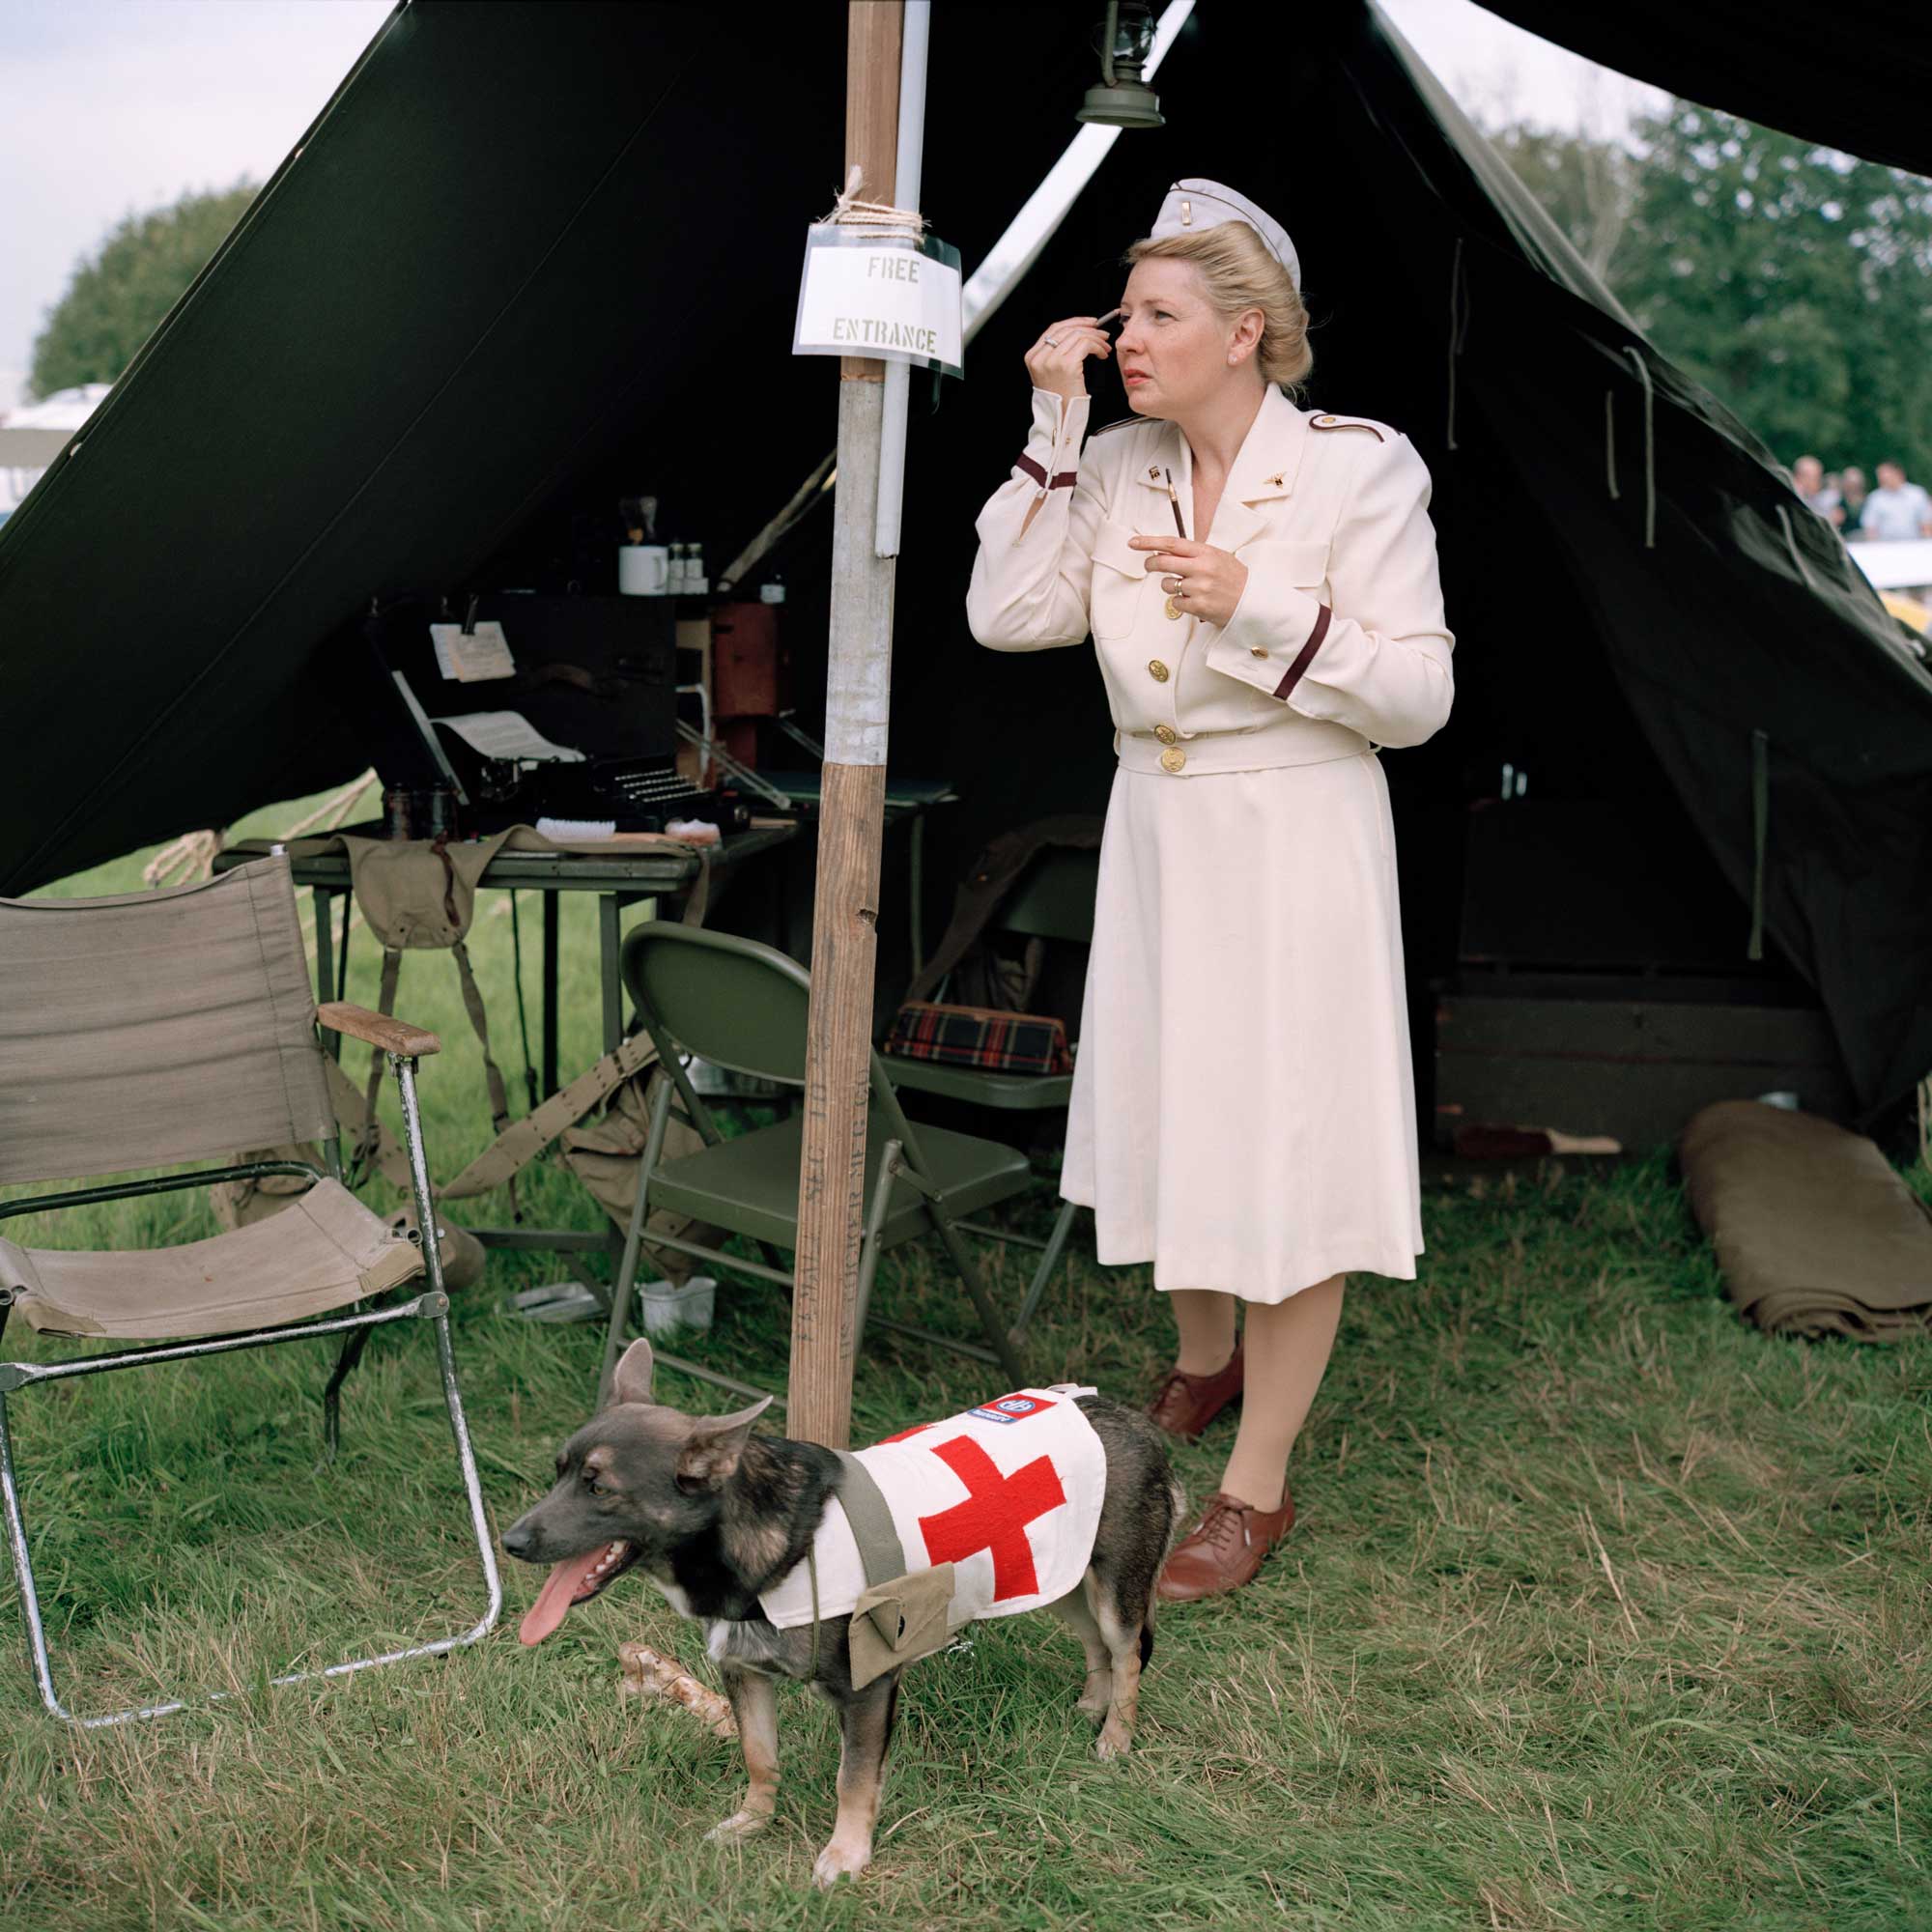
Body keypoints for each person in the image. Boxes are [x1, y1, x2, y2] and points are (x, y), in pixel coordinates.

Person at [965, 179, 1453, 1603]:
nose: (1126, 337)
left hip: (1298, 826)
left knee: (1292, 1147)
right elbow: (1010, 616)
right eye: (1123, 316)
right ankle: (1203, 1359)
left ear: (1246, 332)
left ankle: (1257, 1491)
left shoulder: (1363, 470)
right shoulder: (1117, 463)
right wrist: (1055, 436)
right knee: (1176, 1108)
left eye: (1158, 316)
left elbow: (1419, 695)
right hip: (1161, 822)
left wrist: (1254, 604)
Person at [1859, 460, 1932, 541]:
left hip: (1914, 544)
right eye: (1880, 477)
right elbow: (1870, 527)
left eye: (1886, 476)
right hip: (1884, 547)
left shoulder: (1917, 494)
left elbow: (1926, 524)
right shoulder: (1875, 498)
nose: (1882, 479)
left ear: (1899, 474)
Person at [1791, 455, 1841, 526]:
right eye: (1815, 478)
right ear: (1800, 477)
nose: (1819, 482)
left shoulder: (1817, 497)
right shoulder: (1793, 497)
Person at [1838, 465, 1869, 539]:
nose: (1852, 488)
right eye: (1849, 484)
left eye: (1855, 485)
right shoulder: (1839, 503)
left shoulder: (1869, 501)